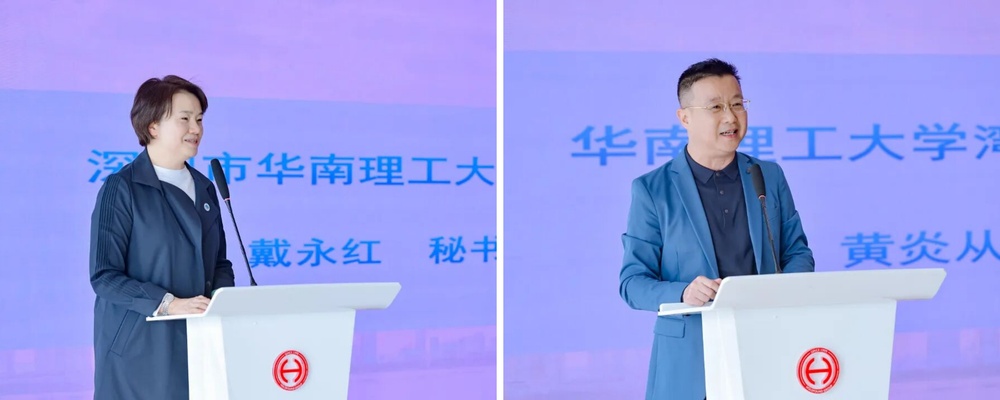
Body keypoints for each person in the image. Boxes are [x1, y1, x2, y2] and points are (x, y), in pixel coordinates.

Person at [618, 59, 815, 399]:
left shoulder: (767, 176)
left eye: (737, 104)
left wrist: (781, 291)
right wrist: (683, 293)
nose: (730, 117)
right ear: (685, 118)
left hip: (765, 349)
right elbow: (632, 283)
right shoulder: (652, 189)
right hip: (688, 363)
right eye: (716, 107)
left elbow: (798, 253)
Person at [89, 75, 235, 399]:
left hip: (198, 343)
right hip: (139, 350)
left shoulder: (205, 187)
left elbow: (219, 263)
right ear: (152, 126)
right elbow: (104, 275)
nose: (195, 129)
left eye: (199, 119)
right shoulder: (122, 188)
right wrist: (168, 304)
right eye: (184, 118)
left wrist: (223, 302)